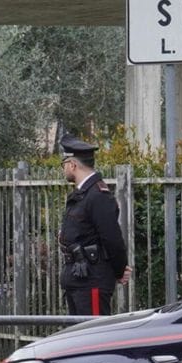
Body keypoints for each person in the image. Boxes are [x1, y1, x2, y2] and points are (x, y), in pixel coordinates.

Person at [58, 134, 131, 315]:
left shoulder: (98, 196)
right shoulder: (82, 194)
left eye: (64, 164)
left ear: (72, 165)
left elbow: (112, 239)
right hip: (77, 278)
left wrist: (120, 270)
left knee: (93, 338)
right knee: (78, 340)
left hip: (92, 280)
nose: (63, 169)